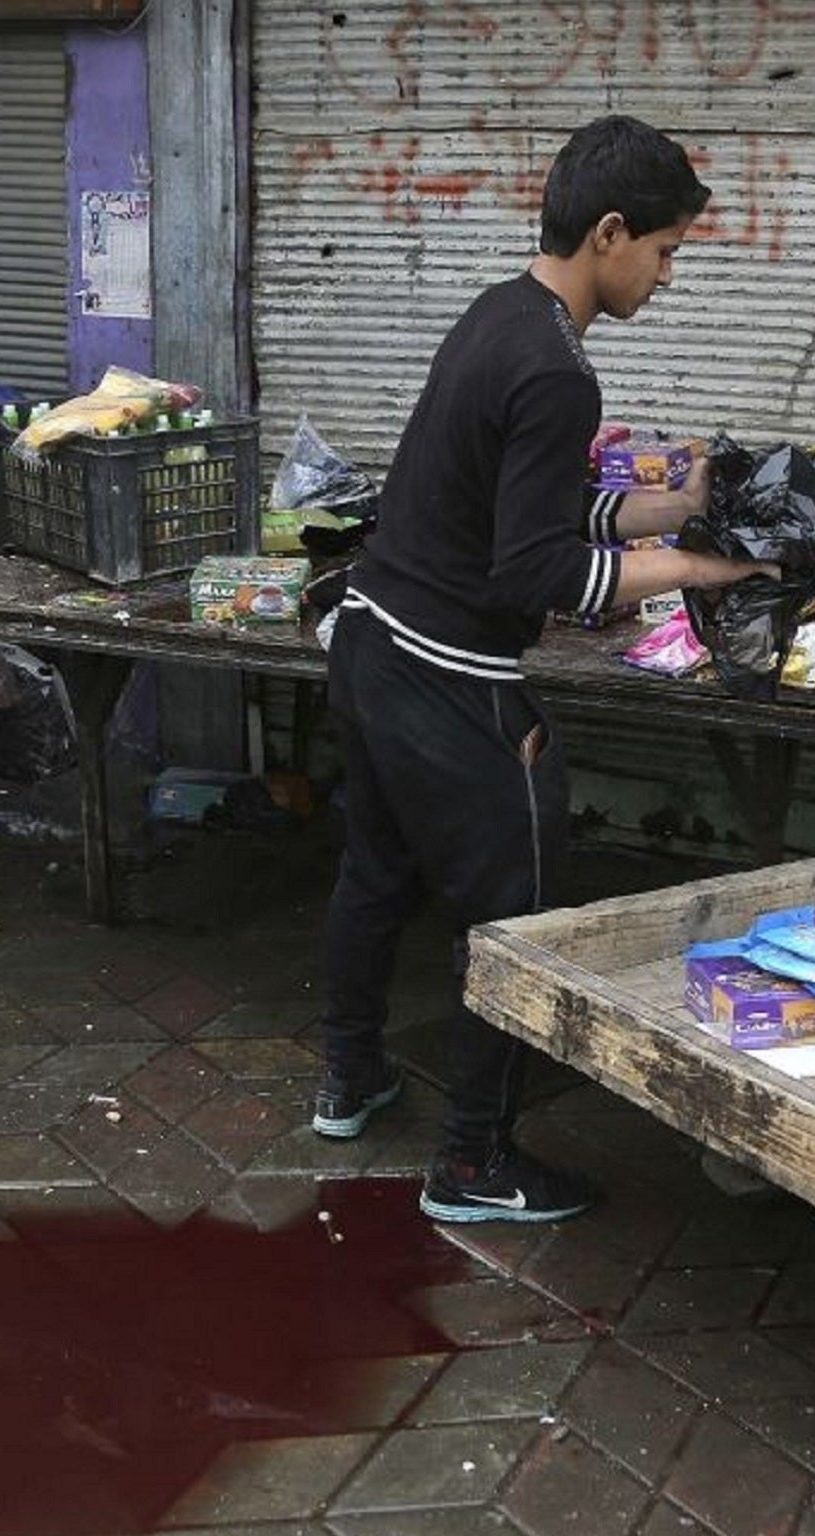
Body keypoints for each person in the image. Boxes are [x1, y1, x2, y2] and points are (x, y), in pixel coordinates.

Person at [312, 116, 772, 1223]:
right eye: (663, 251)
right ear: (609, 234)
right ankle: (473, 1164)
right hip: (448, 680)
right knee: (512, 913)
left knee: (376, 869)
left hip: (369, 639)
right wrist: (692, 567)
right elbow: (534, 571)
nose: (665, 275)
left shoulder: (500, 314)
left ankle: (350, 1077)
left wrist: (666, 506)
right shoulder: (556, 370)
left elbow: (520, 499)